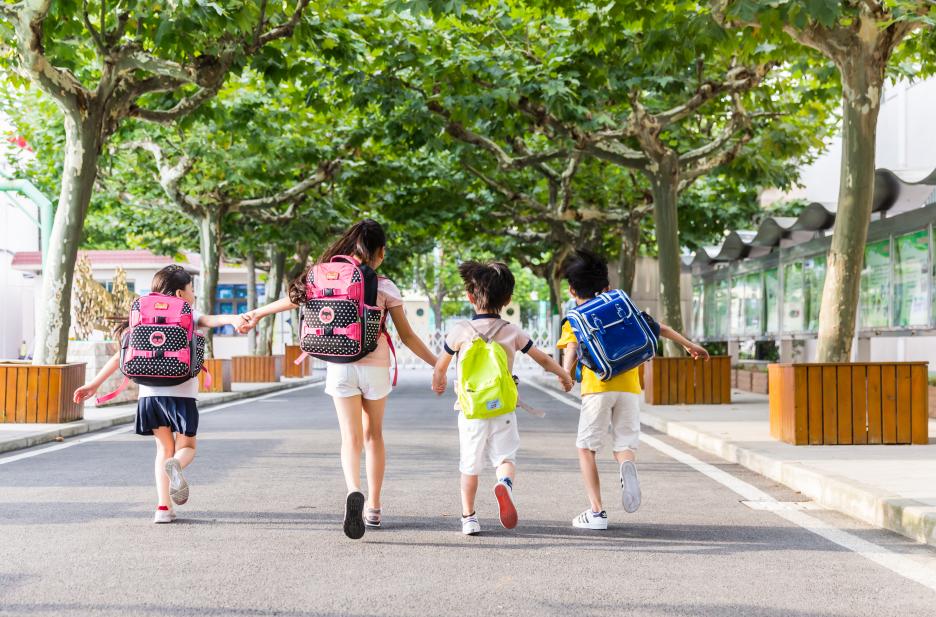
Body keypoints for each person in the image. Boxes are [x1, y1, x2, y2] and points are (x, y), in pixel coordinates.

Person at [239, 219, 437, 539]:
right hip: (375, 366)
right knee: (373, 435)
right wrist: (439, 364)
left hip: (339, 365)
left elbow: (293, 299)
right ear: (380, 252)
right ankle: (373, 507)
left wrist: (257, 314)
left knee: (350, 438)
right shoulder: (384, 285)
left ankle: (353, 489)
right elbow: (408, 336)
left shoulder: (324, 277)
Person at [73, 265, 244, 524]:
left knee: (163, 448)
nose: (193, 295)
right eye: (191, 289)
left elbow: (121, 354)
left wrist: (94, 384)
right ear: (180, 293)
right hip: (182, 393)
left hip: (149, 396)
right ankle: (177, 465)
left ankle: (163, 508)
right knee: (186, 447)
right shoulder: (187, 312)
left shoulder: (142, 314)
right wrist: (235, 319)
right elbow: (214, 320)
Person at [558, 249, 709, 530]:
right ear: (607, 286)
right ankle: (626, 464)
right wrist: (690, 346)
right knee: (625, 444)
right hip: (629, 386)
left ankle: (596, 512)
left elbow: (572, 348)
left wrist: (566, 375)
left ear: (571, 290)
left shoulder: (576, 317)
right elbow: (660, 328)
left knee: (586, 448)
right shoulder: (619, 306)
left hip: (597, 387)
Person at [432, 261, 573, 536]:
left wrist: (439, 381)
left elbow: (441, 365)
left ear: (470, 297)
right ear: (507, 300)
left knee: (469, 467)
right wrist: (564, 375)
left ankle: (469, 517)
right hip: (503, 408)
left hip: (471, 410)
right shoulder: (512, 331)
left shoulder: (460, 331)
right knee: (505, 459)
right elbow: (543, 360)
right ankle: (504, 484)